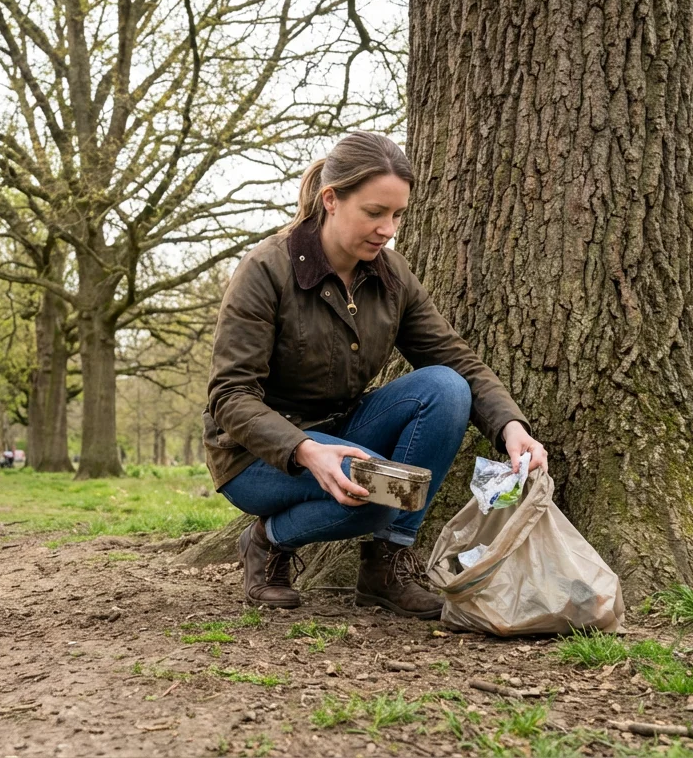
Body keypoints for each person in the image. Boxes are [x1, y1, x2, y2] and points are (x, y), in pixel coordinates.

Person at [204, 132, 548, 619]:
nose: (387, 228)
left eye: (397, 215)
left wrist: (511, 426)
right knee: (381, 491)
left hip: (344, 431)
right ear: (331, 200)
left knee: (446, 387)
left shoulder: (391, 275)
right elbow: (231, 396)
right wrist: (305, 450)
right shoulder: (265, 270)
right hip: (257, 456)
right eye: (374, 212)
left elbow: (455, 359)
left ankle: (386, 565)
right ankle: (265, 541)